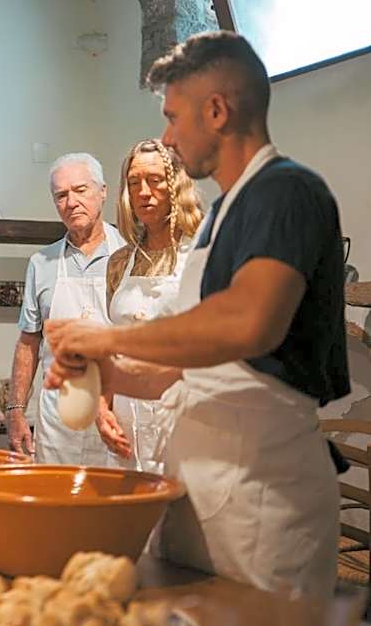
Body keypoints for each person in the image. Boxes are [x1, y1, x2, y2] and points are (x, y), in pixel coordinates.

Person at [44, 31, 347, 598]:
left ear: (216, 111)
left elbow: (248, 323)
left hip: (263, 484)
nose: (167, 137)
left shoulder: (286, 192)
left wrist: (109, 339)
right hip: (198, 478)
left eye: (173, 116)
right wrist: (105, 376)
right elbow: (181, 370)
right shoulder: (221, 220)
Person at [7, 153, 126, 464]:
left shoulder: (130, 256)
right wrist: (16, 410)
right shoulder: (41, 263)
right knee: (56, 492)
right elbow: (29, 342)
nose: (71, 202)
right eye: (61, 195)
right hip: (58, 416)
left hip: (118, 410)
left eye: (80, 190)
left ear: (103, 191)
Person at [101, 139, 203, 472]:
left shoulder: (203, 256)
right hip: (126, 424)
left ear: (176, 185)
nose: (144, 192)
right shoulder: (119, 263)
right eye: (134, 183)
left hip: (185, 418)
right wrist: (102, 408)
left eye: (155, 180)